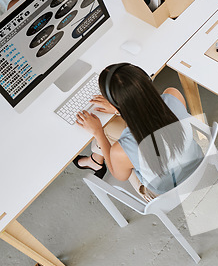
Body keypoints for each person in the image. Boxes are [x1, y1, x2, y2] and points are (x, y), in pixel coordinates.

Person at [74, 63, 203, 201]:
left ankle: (95, 161)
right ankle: (94, 160)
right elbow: (156, 121)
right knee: (116, 136)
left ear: (114, 103)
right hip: (198, 165)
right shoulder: (173, 95)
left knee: (107, 130)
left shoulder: (122, 150)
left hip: (165, 193)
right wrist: (119, 109)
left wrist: (98, 132)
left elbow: (119, 175)